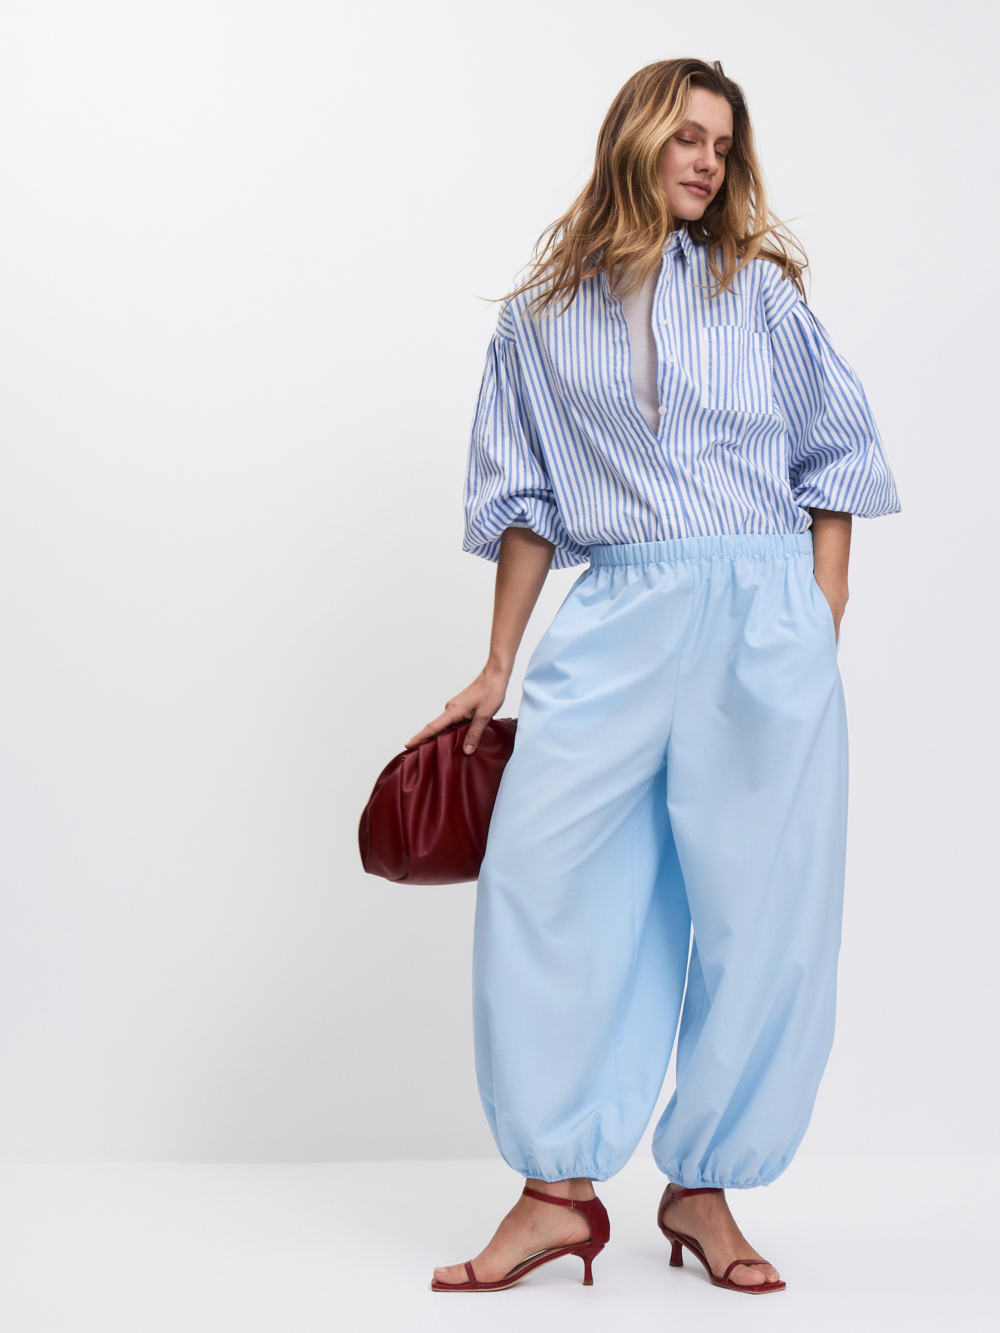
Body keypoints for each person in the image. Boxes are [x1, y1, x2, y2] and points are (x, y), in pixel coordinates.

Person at [407, 58, 899, 1296]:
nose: (706, 162)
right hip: (617, 609)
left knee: (761, 914)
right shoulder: (536, 317)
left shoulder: (757, 295)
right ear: (633, 137)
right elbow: (527, 504)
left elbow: (836, 454)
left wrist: (819, 612)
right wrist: (497, 663)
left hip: (760, 612)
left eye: (722, 147)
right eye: (687, 136)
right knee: (542, 881)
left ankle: (704, 1187)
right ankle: (554, 1193)